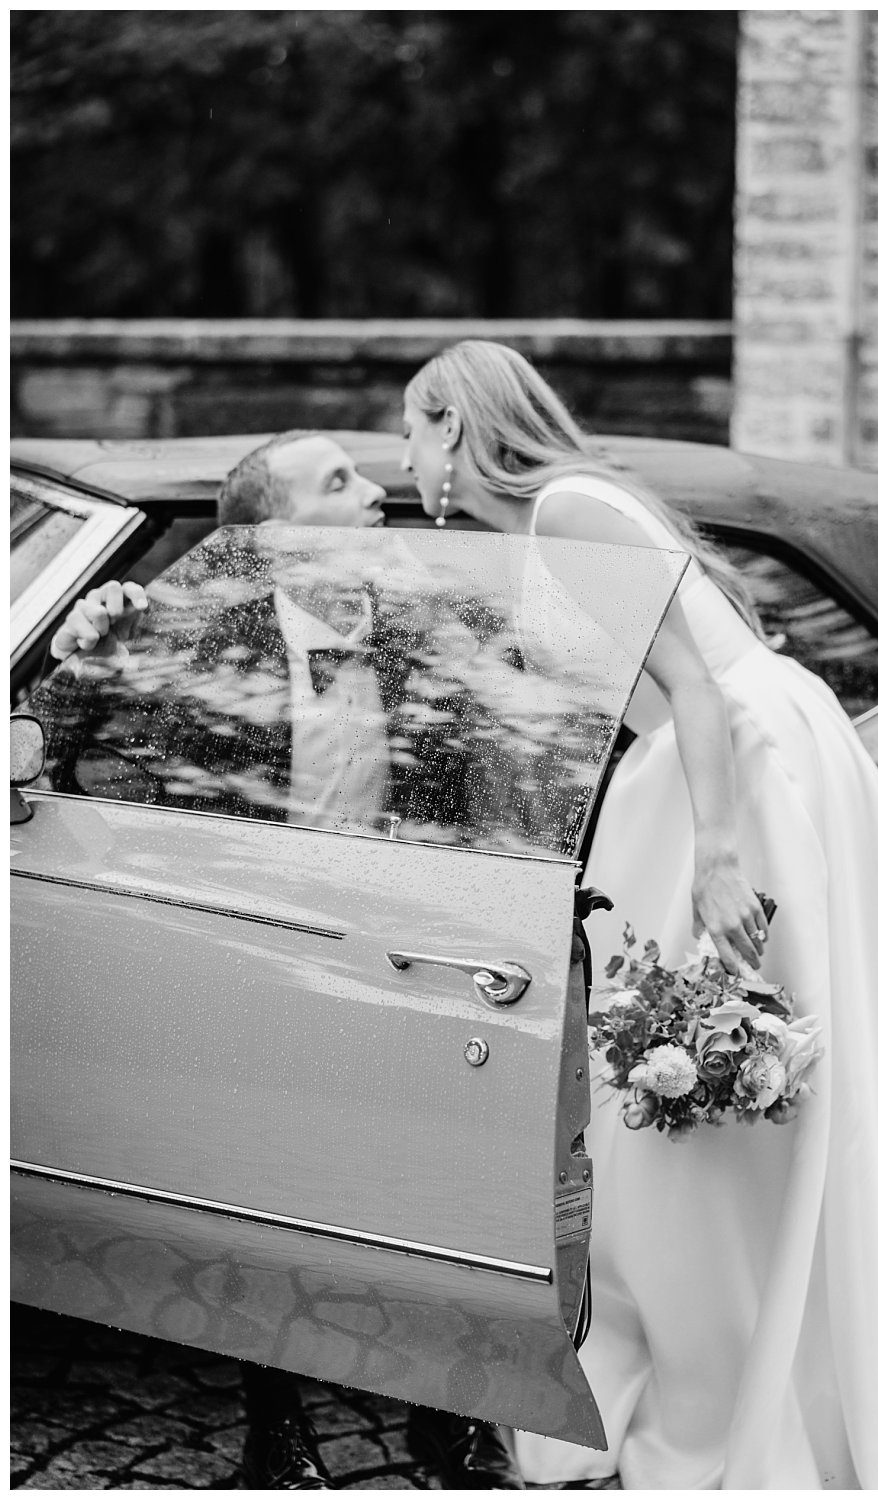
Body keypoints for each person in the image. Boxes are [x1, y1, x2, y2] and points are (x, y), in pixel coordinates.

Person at [400, 340, 878, 1489]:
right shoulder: (551, 524)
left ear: (456, 424)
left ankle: (753, 1378)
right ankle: (743, 1354)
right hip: (701, 776)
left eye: (414, 431)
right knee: (708, 1097)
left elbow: (702, 685)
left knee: (721, 1088)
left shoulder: (570, 505)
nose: (408, 459)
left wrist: (721, 857)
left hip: (727, 780)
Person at [48, 429, 526, 1491]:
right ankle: (278, 1425)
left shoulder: (422, 627)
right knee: (265, 1194)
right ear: (274, 533)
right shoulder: (203, 640)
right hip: (261, 946)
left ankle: (444, 1420)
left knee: (437, 1185)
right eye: (341, 483)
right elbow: (59, 742)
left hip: (408, 944)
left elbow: (514, 737)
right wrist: (86, 653)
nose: (378, 490)